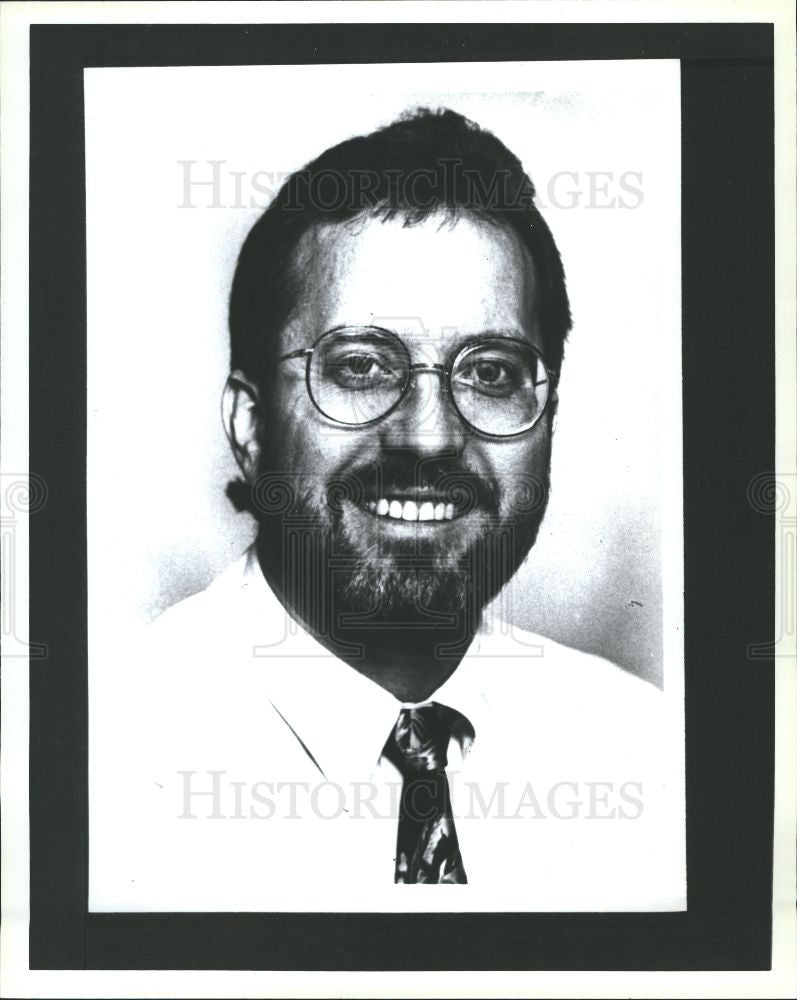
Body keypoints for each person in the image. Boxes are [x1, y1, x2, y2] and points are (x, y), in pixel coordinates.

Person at [90, 109, 684, 911]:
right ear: (250, 425)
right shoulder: (94, 764)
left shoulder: (649, 758)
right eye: (362, 366)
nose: (430, 437)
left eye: (493, 373)